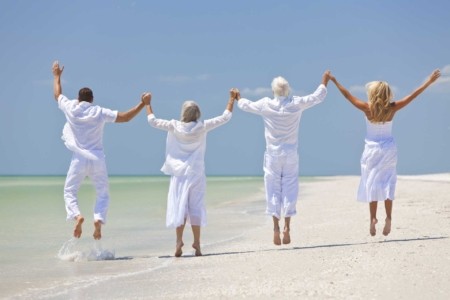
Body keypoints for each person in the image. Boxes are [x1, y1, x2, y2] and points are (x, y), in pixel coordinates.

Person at [328, 69, 441, 236]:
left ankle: (373, 218)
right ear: (387, 94)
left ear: (373, 94)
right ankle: (388, 217)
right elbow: (413, 96)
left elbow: (348, 96)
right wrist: (429, 82)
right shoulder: (392, 108)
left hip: (372, 150)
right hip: (388, 149)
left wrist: (335, 81)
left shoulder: (367, 108)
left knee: (372, 183)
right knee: (388, 183)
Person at [52, 61, 151, 240]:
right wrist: (142, 104)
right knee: (102, 192)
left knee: (69, 191)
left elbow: (58, 94)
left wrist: (57, 76)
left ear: (78, 99)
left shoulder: (71, 108)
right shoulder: (98, 111)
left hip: (79, 158)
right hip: (97, 158)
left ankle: (77, 215)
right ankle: (98, 219)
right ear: (92, 99)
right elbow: (126, 117)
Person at [235, 72, 330, 245]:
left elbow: (245, 106)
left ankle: (275, 228)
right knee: (289, 189)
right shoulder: (296, 103)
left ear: (273, 91)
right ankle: (287, 227)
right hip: (291, 154)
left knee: (272, 190)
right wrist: (325, 81)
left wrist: (237, 97)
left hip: (272, 155)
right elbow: (318, 97)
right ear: (288, 91)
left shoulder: (265, 104)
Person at [146, 89, 236, 257]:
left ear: (183, 113)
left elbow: (152, 121)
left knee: (180, 206)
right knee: (195, 207)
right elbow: (225, 117)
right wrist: (232, 99)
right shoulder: (202, 127)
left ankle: (179, 241)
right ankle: (197, 243)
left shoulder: (174, 126)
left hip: (179, 174)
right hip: (196, 173)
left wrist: (147, 104)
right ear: (197, 114)